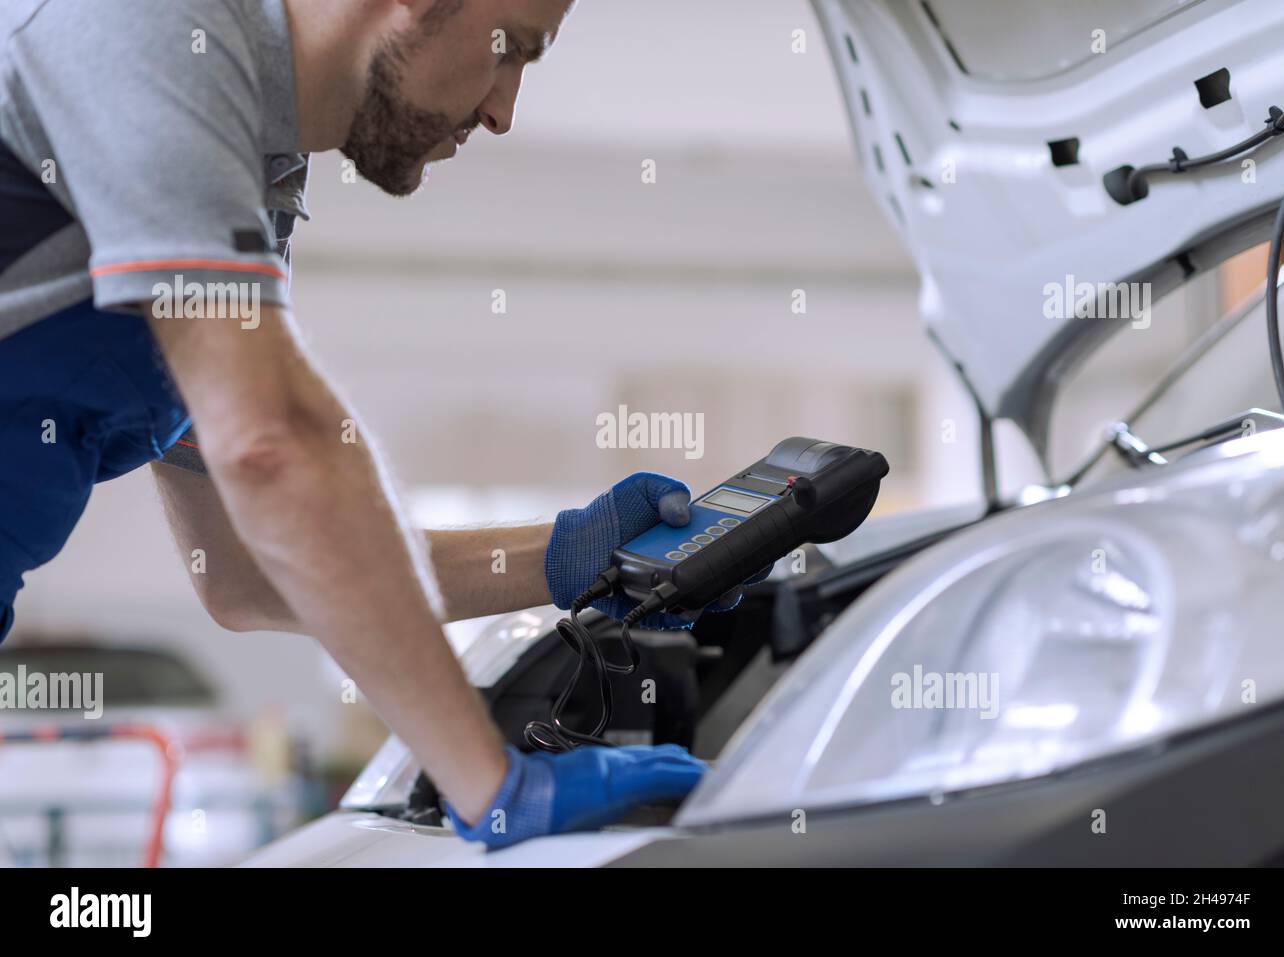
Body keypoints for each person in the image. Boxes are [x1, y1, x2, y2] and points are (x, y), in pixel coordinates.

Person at [0, 0, 759, 849]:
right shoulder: (142, 26)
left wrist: (567, 554)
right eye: (515, 50)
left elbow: (248, 571)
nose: (504, 109)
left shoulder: (256, 173)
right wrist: (492, 781)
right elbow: (275, 444)